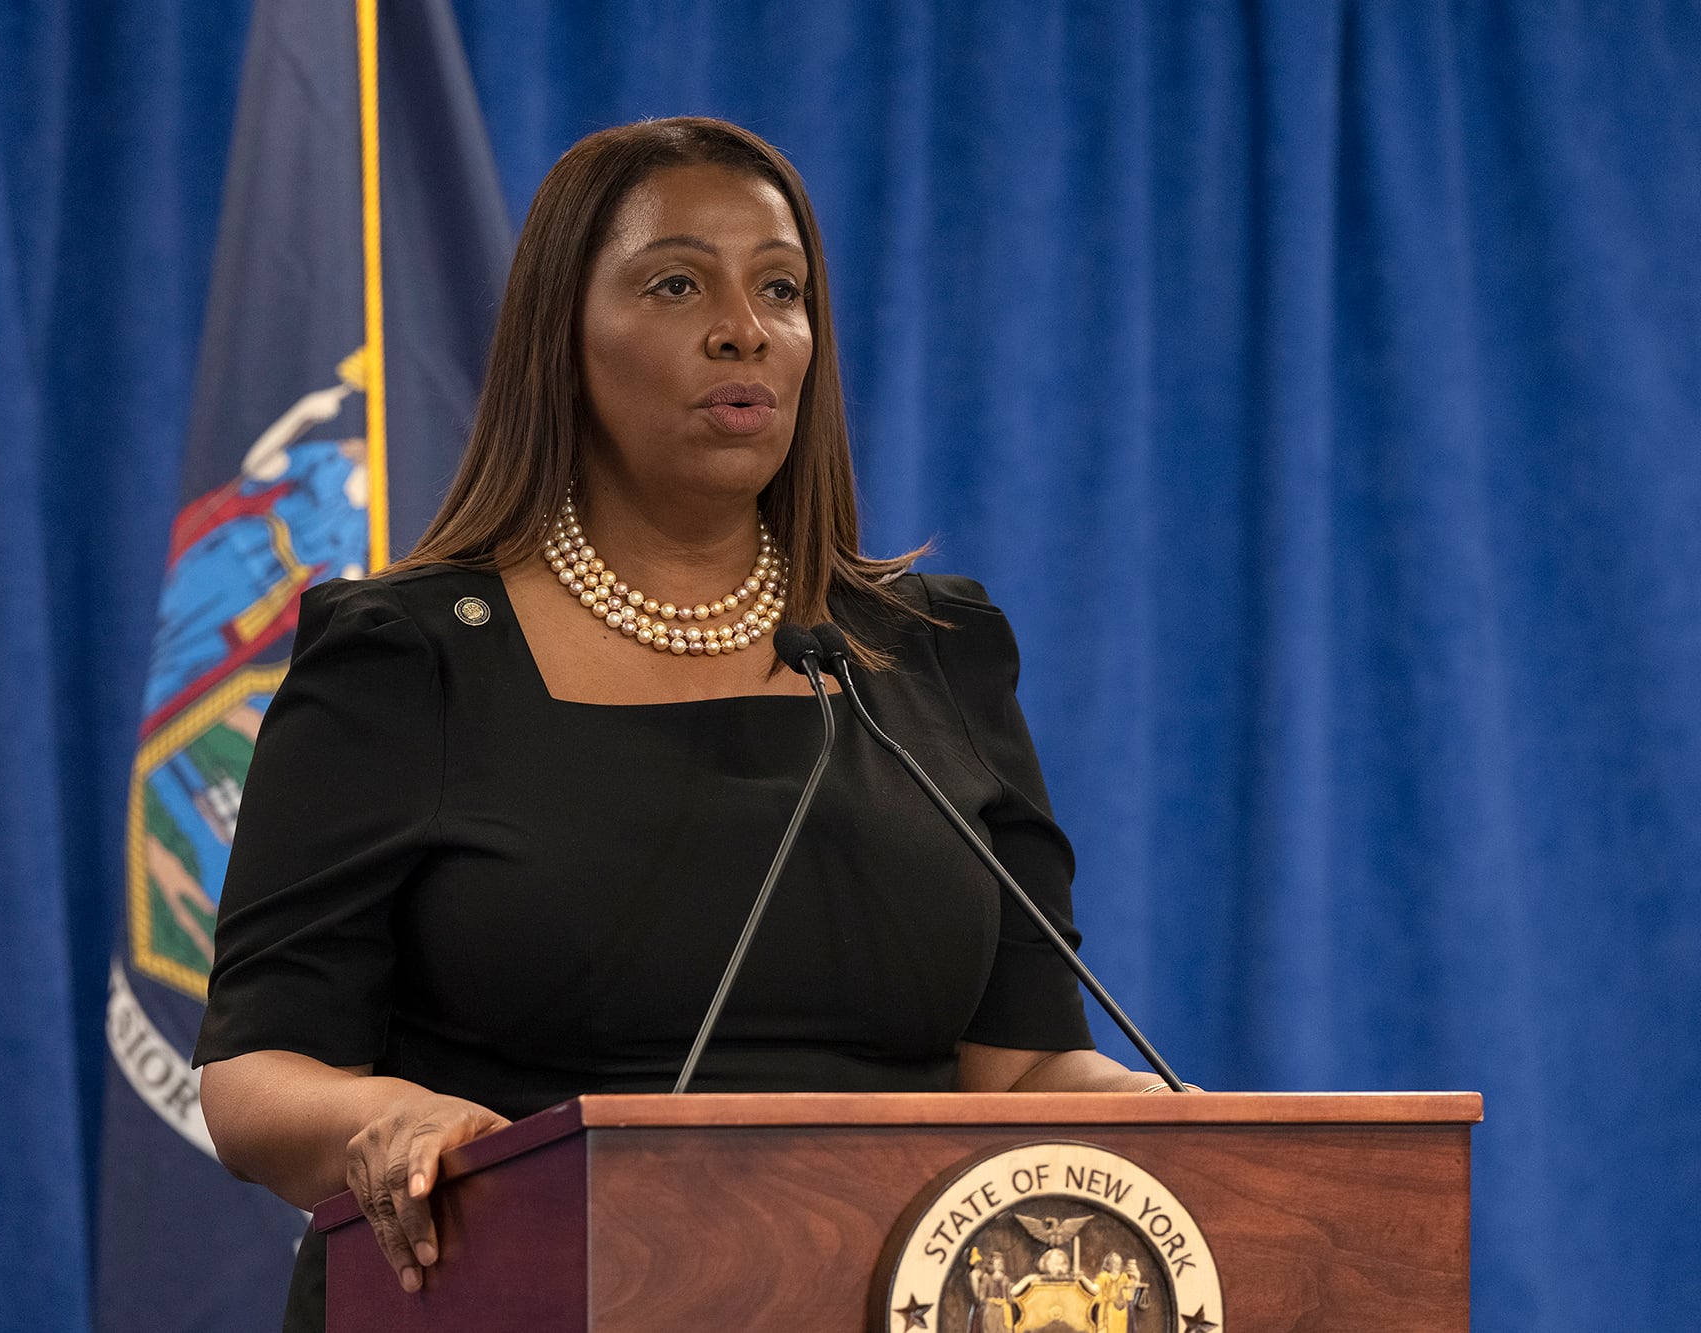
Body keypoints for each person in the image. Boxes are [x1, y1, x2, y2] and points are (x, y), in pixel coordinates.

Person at [192, 116, 1170, 1331]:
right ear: (563, 334)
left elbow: (1019, 1067)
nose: (741, 328)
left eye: (780, 289)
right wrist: (379, 1118)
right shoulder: (407, 658)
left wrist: (1170, 1130)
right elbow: (253, 1073)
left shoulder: (928, 650)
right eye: (675, 284)